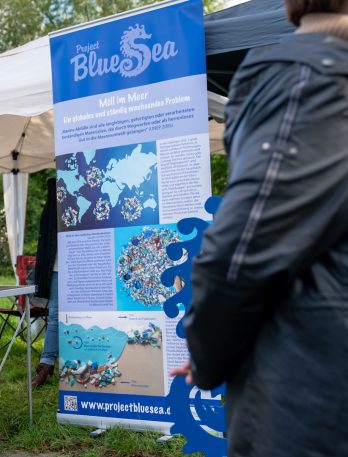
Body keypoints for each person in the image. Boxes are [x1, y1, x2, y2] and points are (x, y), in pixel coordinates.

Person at [171, 2, 348, 456]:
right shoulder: (316, 79)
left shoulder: (314, 80)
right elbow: (244, 249)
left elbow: (242, 250)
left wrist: (209, 356)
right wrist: (211, 357)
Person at [31, 178, 58, 388]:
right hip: (58, 266)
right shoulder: (54, 187)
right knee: (56, 314)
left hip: (86, 266)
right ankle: (46, 364)